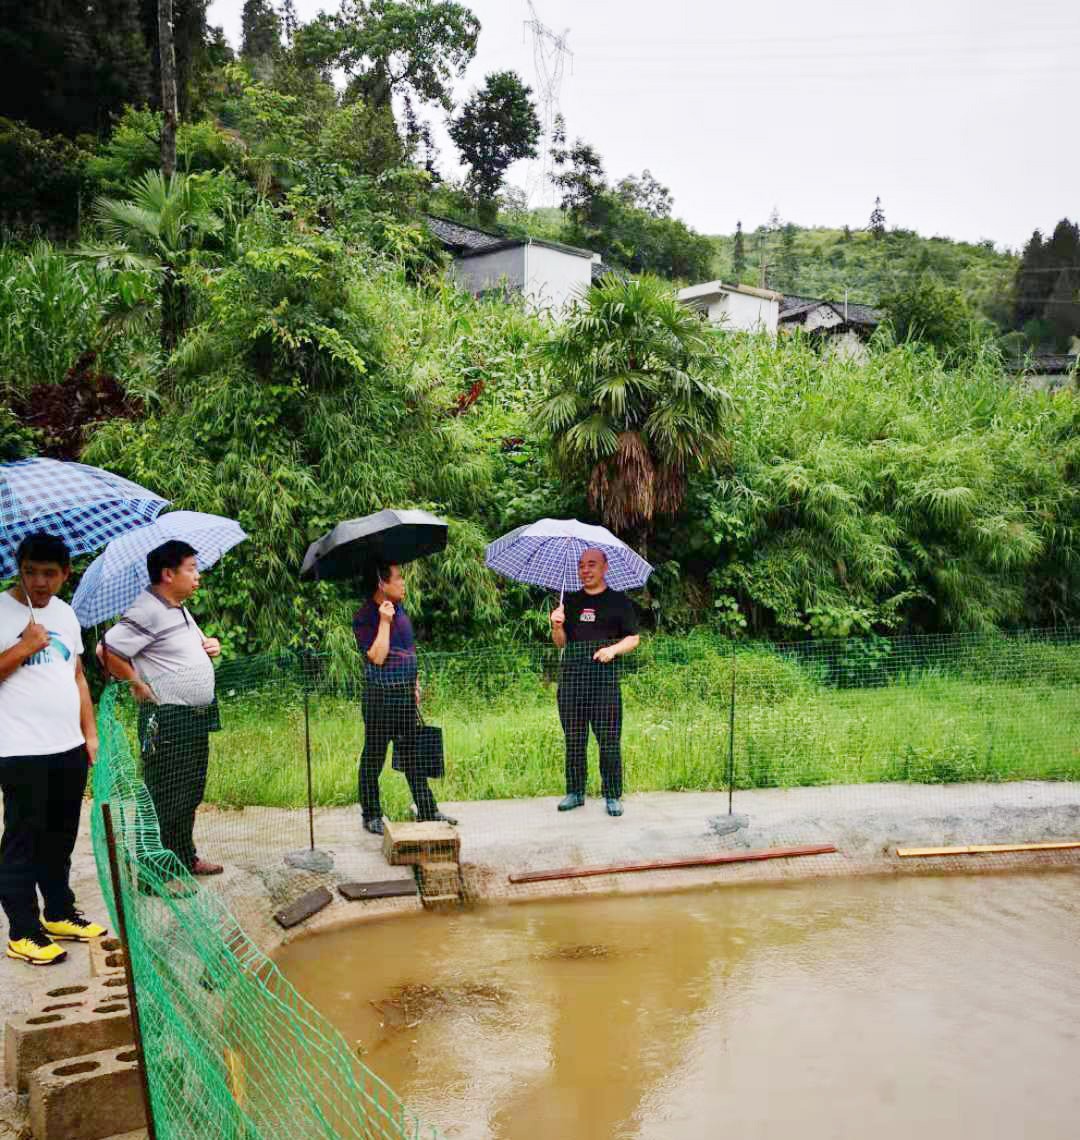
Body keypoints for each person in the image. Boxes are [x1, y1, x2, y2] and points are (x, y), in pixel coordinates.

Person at [0, 532, 107, 966]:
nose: (39, 583)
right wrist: (23, 647)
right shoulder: (2, 611)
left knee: (60, 836)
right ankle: (23, 931)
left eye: (49, 574)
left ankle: (60, 912)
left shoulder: (65, 613)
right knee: (22, 839)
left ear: (65, 574)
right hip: (19, 747)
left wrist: (90, 733)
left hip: (67, 746)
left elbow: (77, 675)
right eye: (30, 572)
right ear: (18, 570)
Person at [98, 540, 223, 877]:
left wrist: (209, 646)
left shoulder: (176, 607)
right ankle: (155, 873)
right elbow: (105, 650)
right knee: (163, 796)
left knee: (190, 791)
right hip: (166, 718)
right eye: (191, 568)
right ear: (168, 574)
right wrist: (136, 683)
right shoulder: (146, 609)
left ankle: (184, 857)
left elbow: (184, 649)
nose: (197, 576)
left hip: (194, 717)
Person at [353, 563, 456, 836]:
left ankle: (427, 809)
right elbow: (377, 656)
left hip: (404, 694)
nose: (403, 583)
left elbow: (407, 649)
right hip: (380, 696)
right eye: (398, 578)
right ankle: (371, 814)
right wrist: (383, 621)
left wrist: (415, 682)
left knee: (413, 754)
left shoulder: (401, 608)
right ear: (381, 583)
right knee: (374, 756)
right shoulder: (365, 616)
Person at [549, 547, 640, 817]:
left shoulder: (619, 601)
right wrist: (556, 626)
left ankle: (612, 795)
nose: (585, 570)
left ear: (604, 568)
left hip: (604, 683)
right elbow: (560, 644)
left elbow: (633, 638)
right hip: (572, 681)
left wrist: (612, 650)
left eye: (591, 565)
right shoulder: (570, 602)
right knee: (574, 739)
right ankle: (575, 792)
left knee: (608, 740)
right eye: (581, 566)